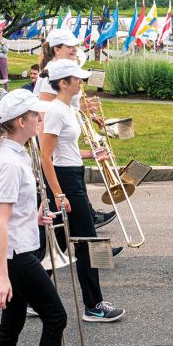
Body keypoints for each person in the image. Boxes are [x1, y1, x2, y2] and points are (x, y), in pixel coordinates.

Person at [0, 89, 66, 346]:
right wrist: (2, 277)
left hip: (17, 250)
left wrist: (34, 217)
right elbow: (0, 221)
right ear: (20, 121)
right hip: (15, 256)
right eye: (34, 115)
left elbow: (13, 213)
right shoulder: (9, 163)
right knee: (56, 317)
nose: (40, 117)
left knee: (12, 325)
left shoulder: (17, 154)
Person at [41, 59, 125, 323]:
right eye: (76, 79)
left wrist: (91, 154)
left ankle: (34, 297)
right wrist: (58, 193)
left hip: (72, 175)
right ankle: (93, 305)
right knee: (89, 242)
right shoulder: (56, 111)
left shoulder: (67, 109)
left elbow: (67, 150)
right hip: (65, 181)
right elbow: (46, 157)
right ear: (63, 83)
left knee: (66, 243)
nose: (81, 82)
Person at [36, 29, 122, 257]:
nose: (75, 49)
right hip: (59, 156)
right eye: (69, 46)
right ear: (57, 49)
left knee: (67, 218)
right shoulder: (54, 74)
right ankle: (45, 260)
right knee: (66, 214)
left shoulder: (66, 77)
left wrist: (84, 114)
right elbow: (46, 113)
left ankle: (47, 259)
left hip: (68, 155)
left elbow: (66, 107)